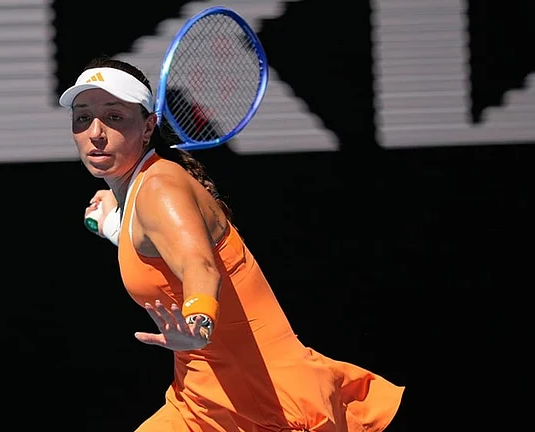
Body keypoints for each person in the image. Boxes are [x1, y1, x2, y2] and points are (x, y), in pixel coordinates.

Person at [59, 55, 404, 432]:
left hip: (271, 407)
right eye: (82, 118)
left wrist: (198, 321)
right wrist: (113, 224)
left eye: (114, 116)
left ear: (148, 126)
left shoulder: (158, 188)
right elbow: (157, 248)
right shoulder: (143, 189)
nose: (95, 132)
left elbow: (198, 266)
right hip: (201, 402)